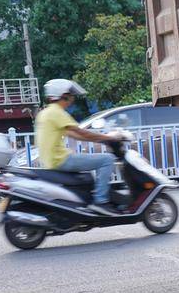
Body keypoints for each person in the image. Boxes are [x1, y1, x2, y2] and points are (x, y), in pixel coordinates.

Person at [35, 79, 120, 215]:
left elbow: (73, 134)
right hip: (61, 159)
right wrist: (109, 138)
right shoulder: (57, 112)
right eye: (71, 95)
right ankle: (101, 201)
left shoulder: (45, 113)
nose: (72, 98)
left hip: (50, 160)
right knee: (107, 160)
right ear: (63, 95)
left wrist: (101, 140)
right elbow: (81, 132)